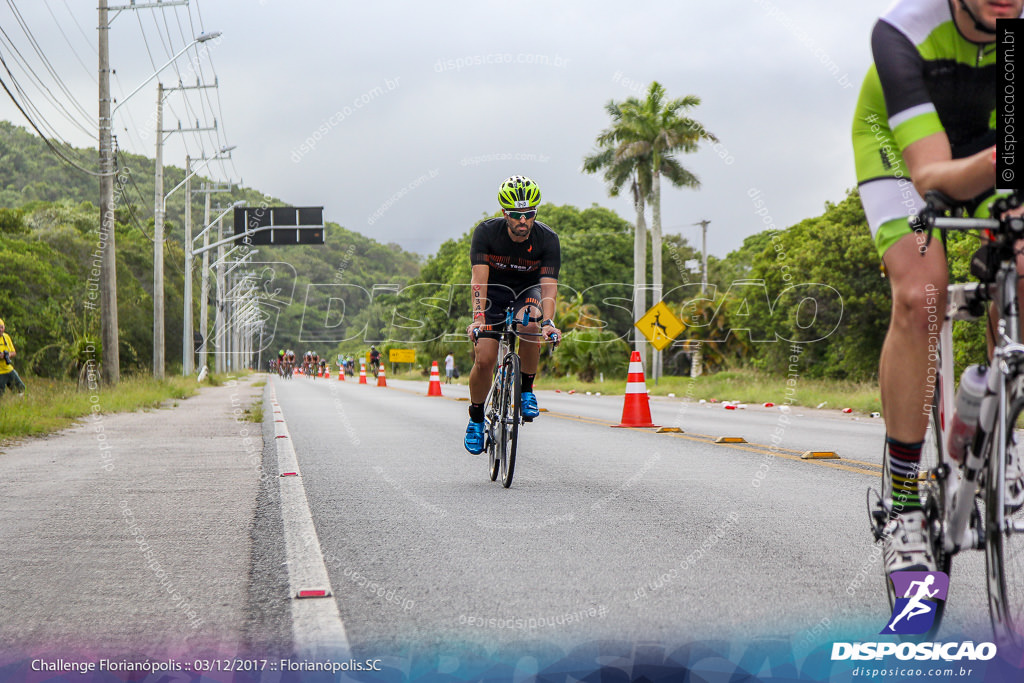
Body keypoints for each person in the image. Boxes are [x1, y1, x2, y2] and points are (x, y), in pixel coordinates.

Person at [852, 0, 1024, 575]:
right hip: (903, 153)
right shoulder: (902, 31)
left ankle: (999, 424)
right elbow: (930, 176)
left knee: (1019, 262)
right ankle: (904, 502)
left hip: (991, 138)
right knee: (921, 294)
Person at [464, 175, 562, 454]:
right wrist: (479, 318)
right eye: (517, 215)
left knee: (531, 320)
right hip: (493, 294)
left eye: (529, 214)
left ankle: (527, 389)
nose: (523, 221)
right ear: (505, 213)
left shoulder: (548, 239)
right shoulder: (486, 233)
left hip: (526, 292)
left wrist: (548, 322)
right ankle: (475, 418)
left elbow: (549, 288)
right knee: (484, 358)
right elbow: (478, 281)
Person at [0, 318, 26, 396]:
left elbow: (14, 352)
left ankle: (17, 404)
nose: (0, 329)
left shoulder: (6, 337)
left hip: (8, 369)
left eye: (2, 327)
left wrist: (7, 355)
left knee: (21, 389)